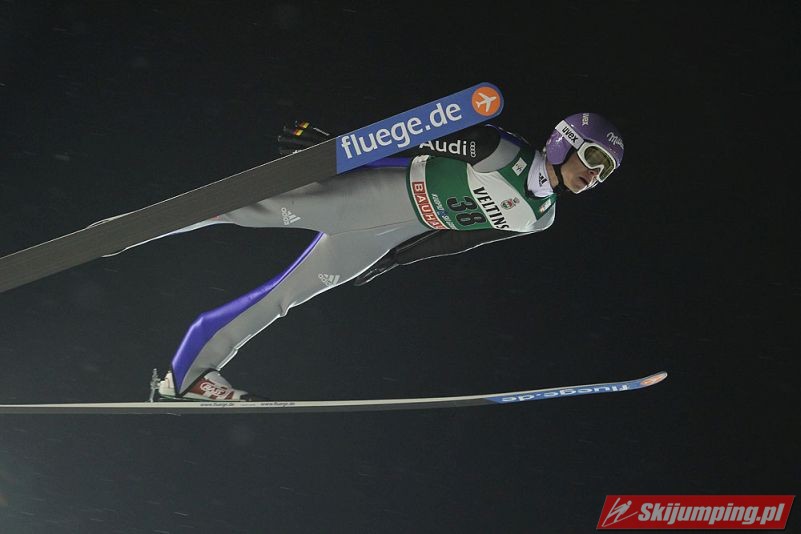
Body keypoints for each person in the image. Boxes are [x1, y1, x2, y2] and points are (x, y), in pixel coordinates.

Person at [144, 112, 624, 400]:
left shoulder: (540, 218)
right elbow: (407, 140)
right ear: (564, 142)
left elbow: (462, 237)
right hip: (366, 196)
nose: (595, 175)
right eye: (593, 159)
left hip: (382, 238)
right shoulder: (499, 150)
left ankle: (189, 375)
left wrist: (394, 260)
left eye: (605, 172)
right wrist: (335, 149)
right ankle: (132, 230)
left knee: (284, 297)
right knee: (242, 209)